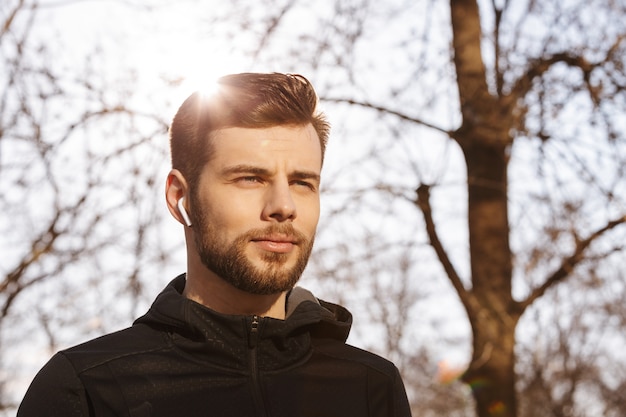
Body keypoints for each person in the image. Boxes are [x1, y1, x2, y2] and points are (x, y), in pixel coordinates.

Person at [18, 72, 412, 416]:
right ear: (179, 197)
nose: (283, 207)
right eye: (249, 178)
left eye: (301, 182)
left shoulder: (370, 386)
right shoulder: (87, 387)